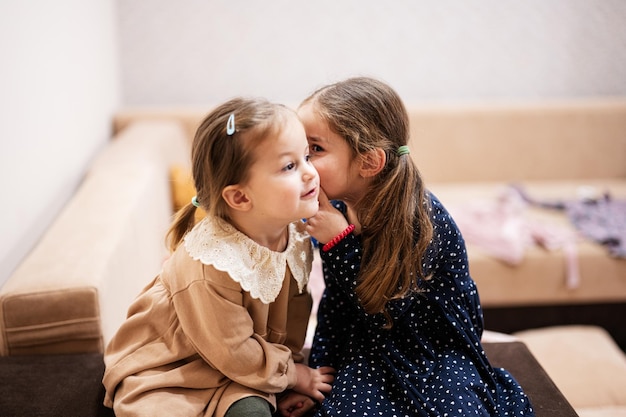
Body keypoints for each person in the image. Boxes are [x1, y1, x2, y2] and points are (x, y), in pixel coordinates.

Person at [294, 77, 535, 416]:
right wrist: (315, 378)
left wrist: (340, 243)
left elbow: (391, 312)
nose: (303, 168)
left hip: (434, 349)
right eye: (300, 154)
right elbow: (338, 305)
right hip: (370, 348)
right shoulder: (337, 210)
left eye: (315, 151)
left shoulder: (419, 220)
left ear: (369, 163)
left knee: (459, 408)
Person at [102, 97, 335, 417]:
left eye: (306, 157)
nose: (310, 173)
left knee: (252, 408)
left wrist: (286, 373)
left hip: (246, 367)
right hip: (178, 369)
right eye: (289, 166)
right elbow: (232, 350)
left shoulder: (294, 234)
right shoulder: (211, 263)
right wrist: (294, 375)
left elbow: (295, 311)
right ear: (240, 197)